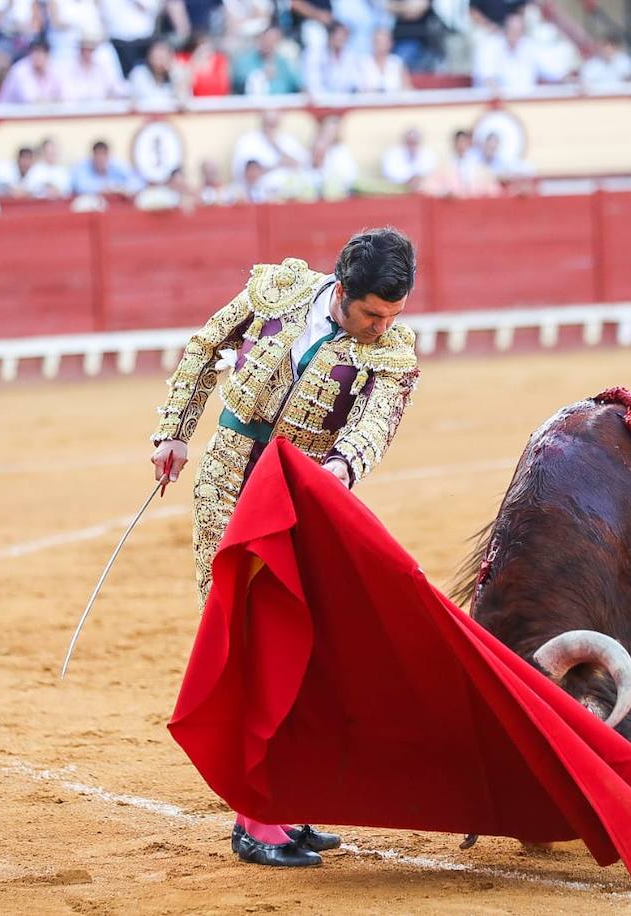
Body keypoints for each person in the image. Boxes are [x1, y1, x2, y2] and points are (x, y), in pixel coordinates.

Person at [149, 229, 419, 866]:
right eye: (373, 314)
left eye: (393, 315)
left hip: (300, 502)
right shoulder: (279, 290)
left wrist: (333, 477)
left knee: (295, 647)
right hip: (226, 484)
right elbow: (205, 348)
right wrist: (173, 433)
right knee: (248, 644)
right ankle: (255, 816)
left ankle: (283, 801)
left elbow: (372, 430)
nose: (382, 328)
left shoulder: (395, 352)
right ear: (342, 292)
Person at [231, 109, 309, 179]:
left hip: (288, 191)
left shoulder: (288, 139)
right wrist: (277, 166)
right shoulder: (248, 141)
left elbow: (304, 167)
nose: (273, 114)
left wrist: (276, 147)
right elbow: (246, 173)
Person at [231, 24, 297, 94]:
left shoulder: (283, 62)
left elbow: (296, 82)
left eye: (272, 41)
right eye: (266, 40)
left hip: (281, 103)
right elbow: (238, 80)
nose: (268, 44)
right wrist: (261, 75)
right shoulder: (245, 60)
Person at [300, 18, 360, 95]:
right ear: (330, 35)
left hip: (344, 101)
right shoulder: (314, 54)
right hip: (321, 101)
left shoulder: (350, 55)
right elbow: (313, 83)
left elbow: (354, 82)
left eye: (345, 35)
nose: (342, 39)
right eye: (339, 35)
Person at [0, 35, 64, 103]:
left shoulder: (54, 68)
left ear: (47, 55)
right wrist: (52, 100)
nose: (37, 56)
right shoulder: (20, 70)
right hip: (9, 111)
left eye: (41, 52)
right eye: (34, 52)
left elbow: (63, 96)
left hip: (35, 112)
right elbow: (29, 99)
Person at [71, 139, 141, 196]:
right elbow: (79, 186)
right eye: (98, 155)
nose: (100, 159)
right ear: (93, 155)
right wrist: (101, 188)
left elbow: (137, 182)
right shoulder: (83, 166)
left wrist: (119, 188)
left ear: (108, 155)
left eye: (103, 154)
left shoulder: (118, 165)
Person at [380, 126, 436, 190]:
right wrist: (408, 179)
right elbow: (389, 173)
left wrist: (417, 179)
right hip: (397, 189)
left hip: (422, 189)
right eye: (409, 142)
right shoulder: (392, 154)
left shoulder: (429, 154)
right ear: (404, 141)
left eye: (414, 142)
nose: (412, 145)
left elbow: (429, 173)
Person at [357, 26, 408, 92]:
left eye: (385, 41)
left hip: (395, 100)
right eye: (378, 42)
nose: (381, 45)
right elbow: (359, 89)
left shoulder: (397, 62)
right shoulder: (363, 62)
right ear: (373, 42)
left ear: (391, 43)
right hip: (370, 100)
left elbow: (407, 87)